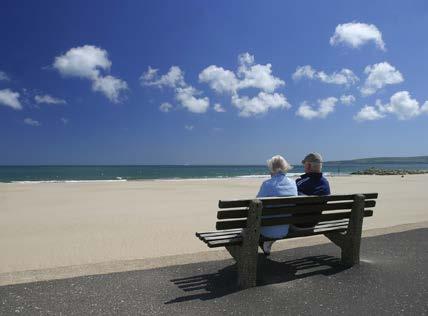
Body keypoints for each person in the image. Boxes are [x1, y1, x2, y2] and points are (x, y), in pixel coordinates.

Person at [257, 155, 297, 256]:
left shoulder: (267, 184)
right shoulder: (293, 184)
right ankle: (267, 244)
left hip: (267, 230)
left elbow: (255, 206)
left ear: (271, 168)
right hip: (284, 229)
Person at [293, 152, 330, 229]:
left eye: (305, 164)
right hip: (314, 222)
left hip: (297, 224)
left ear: (309, 165)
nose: (304, 167)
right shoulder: (325, 184)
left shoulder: (300, 182)